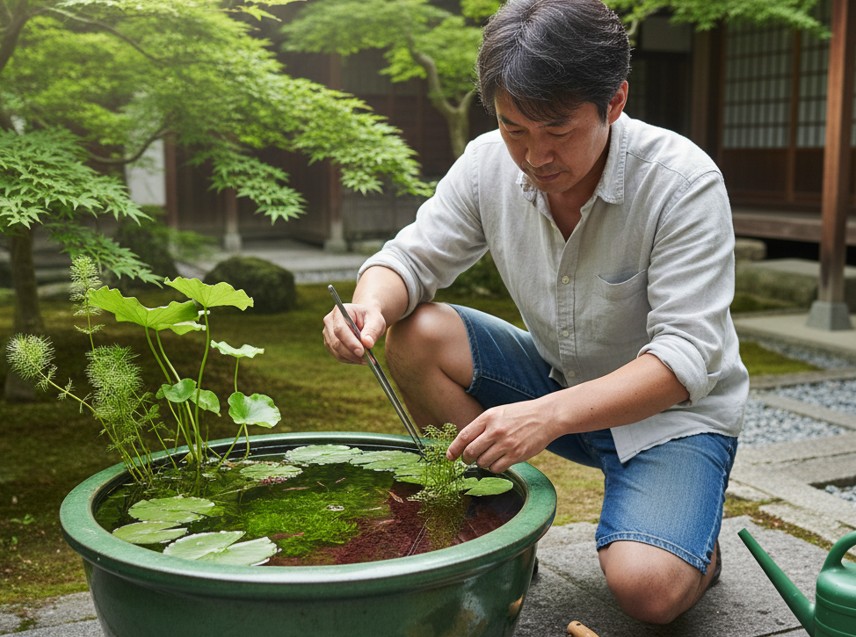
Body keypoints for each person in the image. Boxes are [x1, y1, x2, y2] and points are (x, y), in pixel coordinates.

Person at [322, 0, 748, 625]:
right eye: (514, 128)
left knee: (648, 592)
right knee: (415, 332)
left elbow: (685, 360)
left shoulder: (681, 182)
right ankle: (500, 519)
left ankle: (694, 552)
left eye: (557, 130)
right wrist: (367, 307)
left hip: (671, 417)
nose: (534, 155)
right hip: (555, 382)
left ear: (616, 101)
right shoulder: (487, 163)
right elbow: (407, 262)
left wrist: (545, 417)